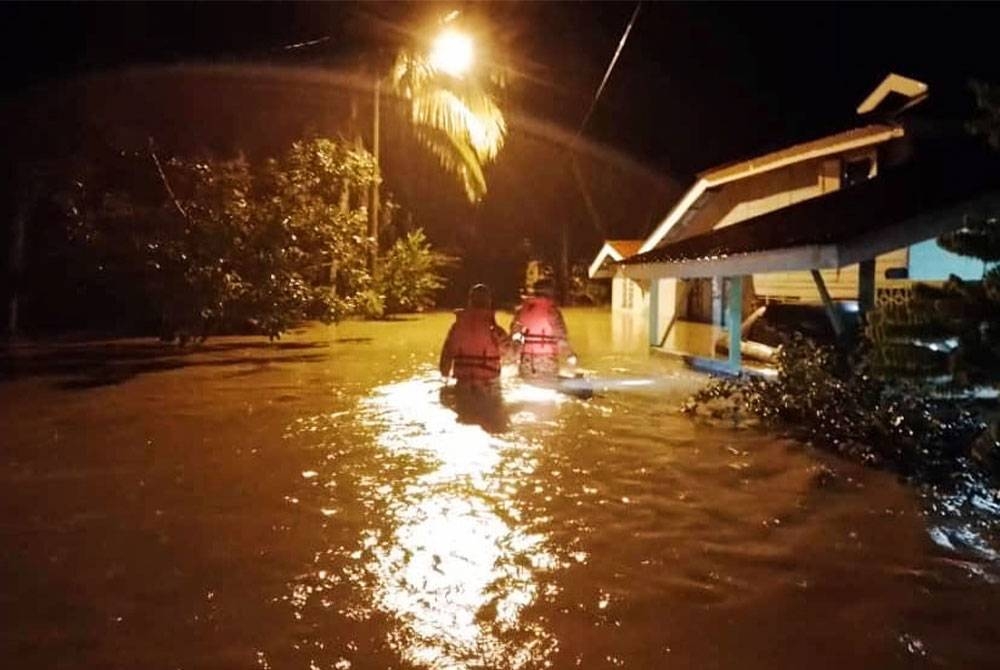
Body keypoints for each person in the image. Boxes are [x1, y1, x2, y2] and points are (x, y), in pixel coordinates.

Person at [439, 284, 511, 393]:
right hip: (488, 383)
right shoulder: (495, 330)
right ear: (489, 302)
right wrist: (517, 339)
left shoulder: (457, 327)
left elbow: (446, 356)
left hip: (463, 382)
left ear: (470, 301)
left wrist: (445, 378)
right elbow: (510, 355)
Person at [509, 278, 577, 380]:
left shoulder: (522, 310)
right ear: (551, 292)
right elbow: (561, 338)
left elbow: (515, 336)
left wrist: (515, 354)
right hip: (547, 361)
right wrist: (570, 355)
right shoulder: (552, 312)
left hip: (526, 362)